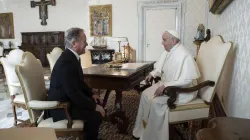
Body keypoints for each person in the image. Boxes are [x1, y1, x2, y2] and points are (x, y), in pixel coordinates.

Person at [132, 30, 200, 140]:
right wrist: (152, 73)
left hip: (183, 91)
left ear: (173, 40)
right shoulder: (168, 51)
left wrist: (165, 86)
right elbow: (160, 67)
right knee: (145, 94)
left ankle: (154, 137)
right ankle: (140, 131)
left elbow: (187, 79)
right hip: (168, 86)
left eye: (164, 40)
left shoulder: (184, 55)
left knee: (156, 102)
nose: (162, 43)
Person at [45, 28, 105, 140]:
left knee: (99, 102)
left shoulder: (72, 57)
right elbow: (73, 93)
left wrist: (91, 94)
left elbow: (80, 83)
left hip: (69, 101)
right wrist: (94, 106)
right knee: (95, 115)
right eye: (84, 41)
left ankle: (88, 136)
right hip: (61, 107)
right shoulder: (66, 62)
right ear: (74, 44)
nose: (87, 44)